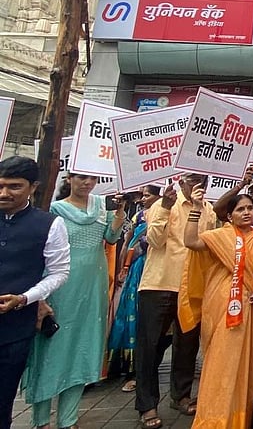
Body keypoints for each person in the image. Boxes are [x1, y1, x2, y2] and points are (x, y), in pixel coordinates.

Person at [21, 173, 125, 429]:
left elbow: (111, 238)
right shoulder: (54, 209)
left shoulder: (101, 206)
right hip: (60, 287)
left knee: (83, 347)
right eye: (81, 177)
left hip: (93, 287)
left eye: (92, 178)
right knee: (51, 351)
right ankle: (41, 420)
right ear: (70, 178)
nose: (87, 183)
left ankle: (68, 419)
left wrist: (119, 213)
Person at [135, 174, 217, 429]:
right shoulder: (162, 204)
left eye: (202, 180)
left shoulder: (208, 209)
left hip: (192, 286)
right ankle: (147, 405)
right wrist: (165, 207)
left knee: (187, 344)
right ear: (181, 181)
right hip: (159, 283)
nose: (198, 184)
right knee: (150, 347)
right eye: (193, 179)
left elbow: (207, 246)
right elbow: (154, 241)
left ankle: (181, 395)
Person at [181, 190, 253, 428]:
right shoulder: (220, 236)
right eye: (240, 209)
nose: (247, 212)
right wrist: (195, 209)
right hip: (222, 305)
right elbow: (191, 242)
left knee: (243, 364)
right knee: (221, 361)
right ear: (229, 216)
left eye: (249, 208)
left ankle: (238, 418)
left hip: (249, 306)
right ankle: (214, 419)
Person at [0, 156, 71, 429]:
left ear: (33, 187)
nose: (4, 193)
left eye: (14, 186)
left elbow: (59, 272)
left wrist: (25, 298)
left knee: (3, 399)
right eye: (0, 186)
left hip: (15, 328)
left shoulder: (50, 224)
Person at [109, 185, 161, 394]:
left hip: (155, 267)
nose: (143, 199)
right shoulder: (138, 216)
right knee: (130, 314)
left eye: (147, 195)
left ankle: (142, 370)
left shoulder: (166, 213)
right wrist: (123, 268)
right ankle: (128, 369)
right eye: (142, 195)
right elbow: (128, 243)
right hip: (136, 269)